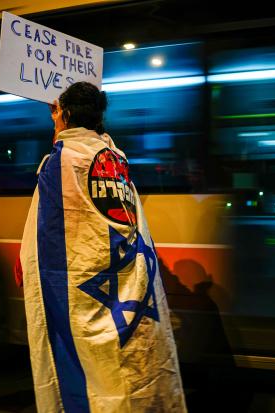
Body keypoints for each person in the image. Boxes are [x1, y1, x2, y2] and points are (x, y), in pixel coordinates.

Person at [18, 82, 187, 412]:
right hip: (127, 281)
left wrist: (30, 261)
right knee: (132, 365)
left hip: (88, 290)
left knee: (92, 368)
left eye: (56, 114)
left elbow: (50, 236)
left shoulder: (61, 162)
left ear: (64, 114)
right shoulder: (116, 158)